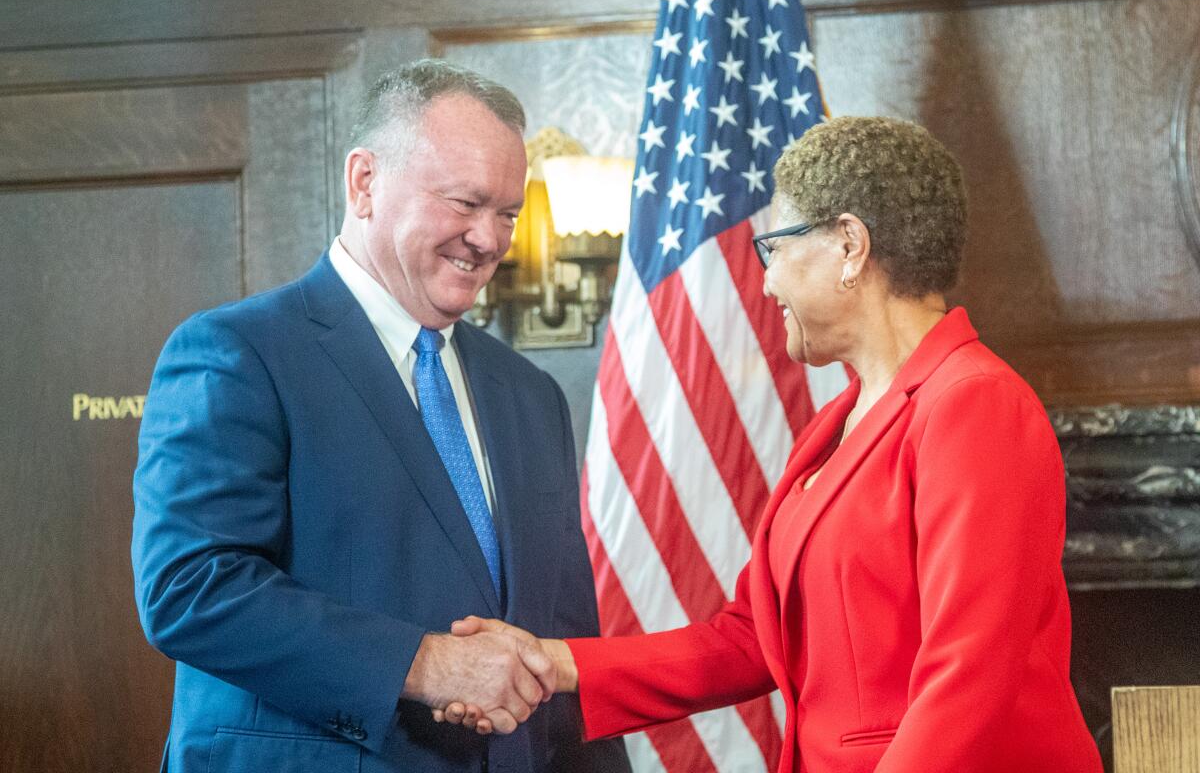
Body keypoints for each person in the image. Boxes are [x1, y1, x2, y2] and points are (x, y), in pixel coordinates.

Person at [437, 117, 1104, 773]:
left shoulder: (974, 403)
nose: (765, 281)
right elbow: (751, 638)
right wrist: (555, 664)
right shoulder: (836, 426)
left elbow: (969, 675)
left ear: (850, 245)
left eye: (775, 248)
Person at [131, 59, 630, 773]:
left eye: (508, 214)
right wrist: (424, 663)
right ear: (364, 182)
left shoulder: (531, 394)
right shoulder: (238, 353)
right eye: (466, 202)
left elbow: (565, 641)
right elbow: (190, 588)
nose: (489, 239)